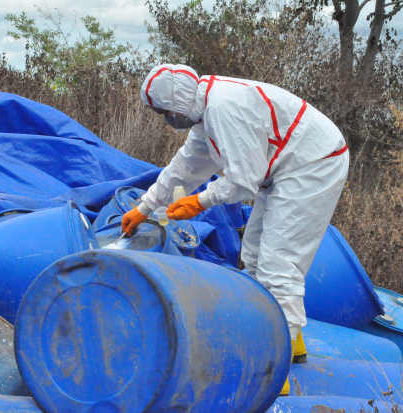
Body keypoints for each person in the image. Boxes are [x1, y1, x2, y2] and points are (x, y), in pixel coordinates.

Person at [122, 64, 349, 395]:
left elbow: (243, 182)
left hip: (313, 164)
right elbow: (185, 166)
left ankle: (273, 370)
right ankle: (290, 339)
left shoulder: (224, 108)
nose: (166, 120)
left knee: (279, 265)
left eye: (164, 112)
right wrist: (144, 207)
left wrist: (200, 201)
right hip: (283, 166)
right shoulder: (205, 111)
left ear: (176, 103)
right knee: (253, 255)